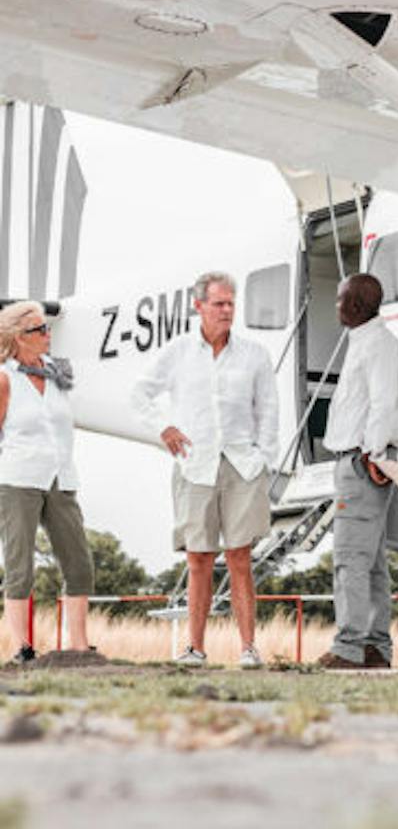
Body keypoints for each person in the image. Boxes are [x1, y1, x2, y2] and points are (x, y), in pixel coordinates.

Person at [134, 271, 281, 669]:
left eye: (231, 303)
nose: (227, 311)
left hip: (242, 466)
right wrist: (162, 427)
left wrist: (264, 459)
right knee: (198, 559)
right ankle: (195, 649)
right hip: (194, 467)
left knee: (240, 557)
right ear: (198, 306)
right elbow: (140, 393)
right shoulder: (177, 352)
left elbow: (268, 410)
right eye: (219, 303)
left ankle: (249, 648)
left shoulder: (255, 355)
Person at [317, 272, 398, 670]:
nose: (336, 306)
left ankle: (349, 647)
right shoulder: (371, 342)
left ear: (354, 306)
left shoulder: (375, 345)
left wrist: (372, 454)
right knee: (371, 563)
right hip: (364, 457)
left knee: (350, 559)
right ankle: (374, 647)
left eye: (340, 300)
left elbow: (383, 402)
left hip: (360, 461)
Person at [0, 301, 94, 664]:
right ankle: (22, 648)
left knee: (79, 563)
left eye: (46, 327)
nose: (47, 334)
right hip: (18, 478)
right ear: (18, 338)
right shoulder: (6, 379)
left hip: (61, 476)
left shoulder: (59, 375)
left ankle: (79, 646)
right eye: (39, 330)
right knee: (20, 565)